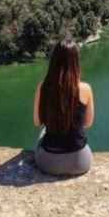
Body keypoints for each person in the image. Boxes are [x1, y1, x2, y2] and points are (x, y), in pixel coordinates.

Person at [32, 40, 94, 176]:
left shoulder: (43, 87)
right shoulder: (85, 88)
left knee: (42, 133)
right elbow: (88, 123)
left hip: (48, 163)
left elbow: (37, 122)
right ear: (76, 61)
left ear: (54, 61)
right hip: (80, 162)